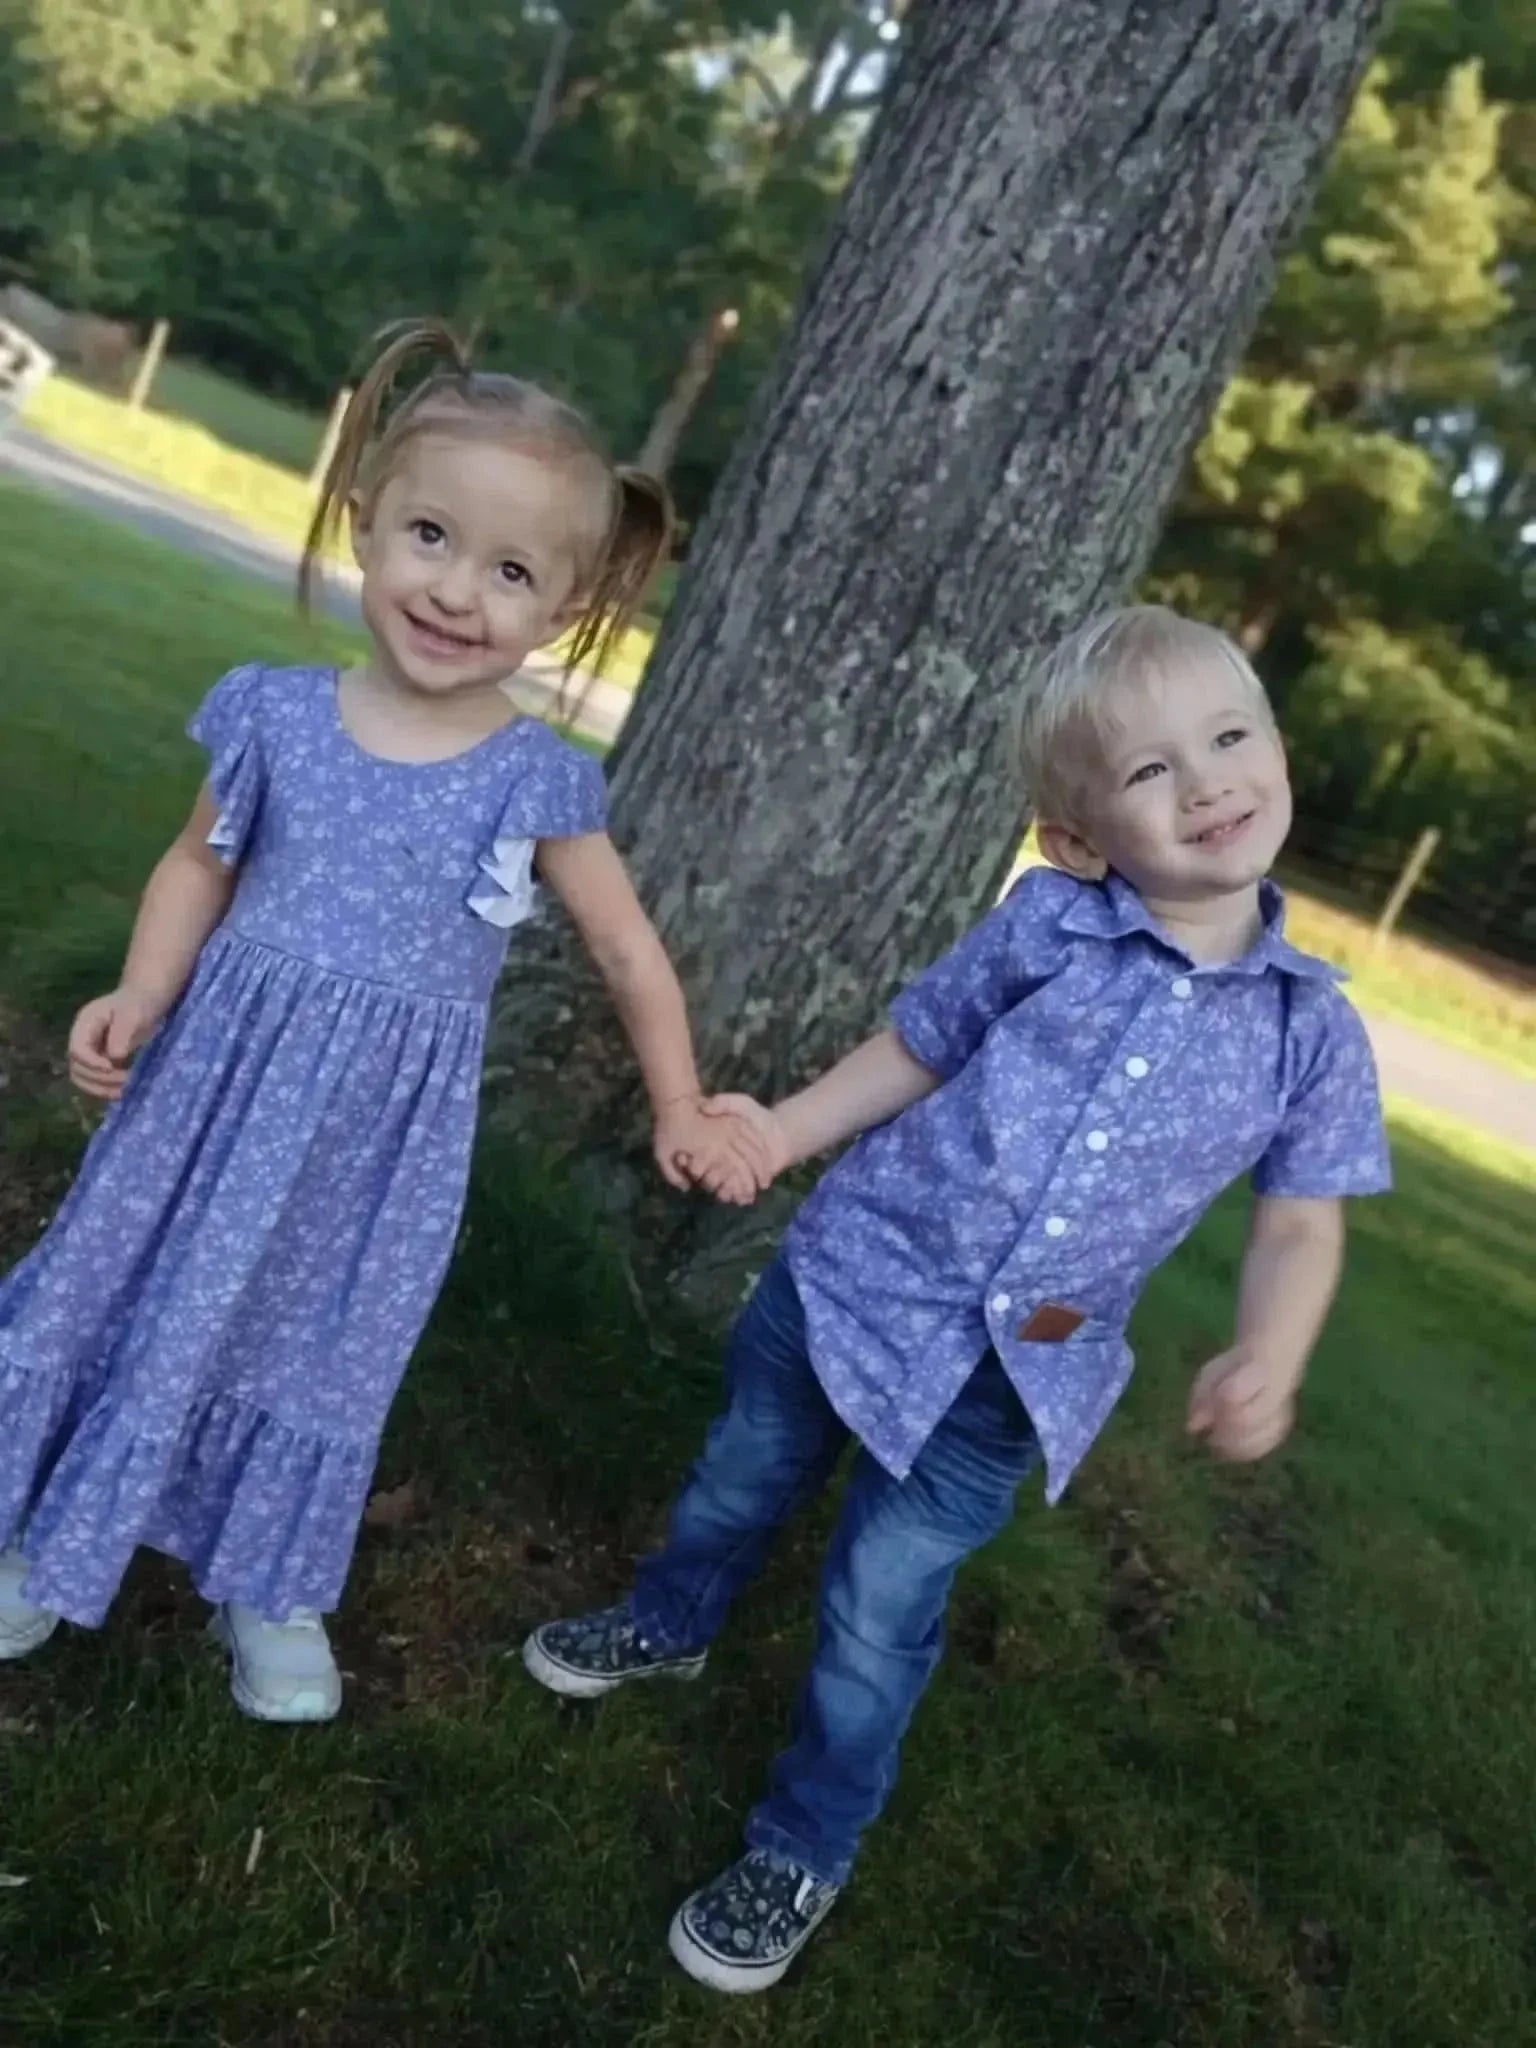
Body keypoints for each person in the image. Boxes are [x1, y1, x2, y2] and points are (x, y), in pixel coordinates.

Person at [522, 603, 1393, 1994]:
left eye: (1231, 738)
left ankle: (805, 1843)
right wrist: (779, 1133)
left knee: (881, 1611)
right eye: (1152, 769)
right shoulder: (1048, 926)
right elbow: (916, 1047)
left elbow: (1301, 1221)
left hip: (1012, 1373)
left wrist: (1269, 1355)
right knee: (741, 1475)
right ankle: (670, 1621)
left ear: (1278, 750)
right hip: (851, 1280)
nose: (1208, 783)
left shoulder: (1314, 1034)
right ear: (1078, 837)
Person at [0, 319, 765, 1721]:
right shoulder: (275, 716)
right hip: (213, 1084)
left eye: (513, 572)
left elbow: (628, 951)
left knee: (325, 1342)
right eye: (431, 536)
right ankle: (50, 1531)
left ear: (566, 610)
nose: (458, 591)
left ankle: (269, 1578)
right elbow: (197, 865)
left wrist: (678, 1100)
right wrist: (139, 992)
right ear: (364, 521)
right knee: (136, 1277)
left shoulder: (531, 780)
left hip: (375, 1136)